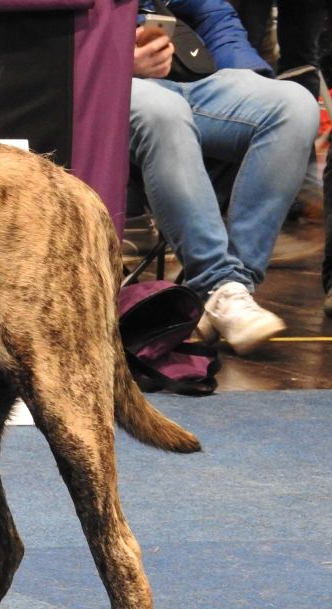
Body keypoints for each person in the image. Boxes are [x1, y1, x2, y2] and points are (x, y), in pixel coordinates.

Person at [130, 0, 320, 355]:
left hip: (181, 76)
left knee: (294, 104)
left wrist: (244, 73)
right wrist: (119, 61)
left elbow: (212, 11)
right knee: (163, 111)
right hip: (104, 84)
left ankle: (231, 289)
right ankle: (216, 286)